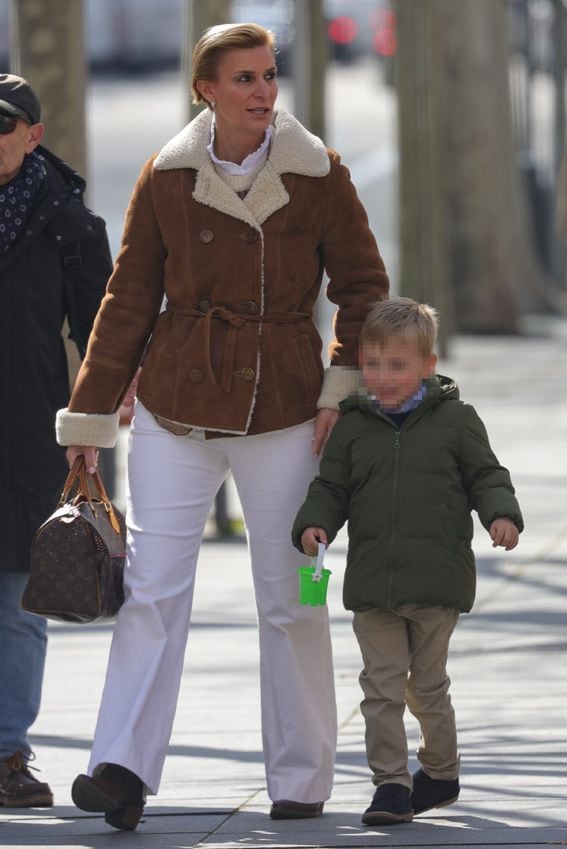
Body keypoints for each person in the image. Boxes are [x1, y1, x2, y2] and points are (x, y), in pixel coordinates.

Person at [55, 23, 389, 831]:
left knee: (293, 596)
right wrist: (92, 414)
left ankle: (303, 775)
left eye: (269, 75)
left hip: (285, 409)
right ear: (205, 87)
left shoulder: (318, 173)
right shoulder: (166, 174)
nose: (262, 91)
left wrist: (338, 390)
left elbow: (363, 286)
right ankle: (122, 767)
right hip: (177, 406)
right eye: (243, 78)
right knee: (152, 592)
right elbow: (128, 297)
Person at [292, 297, 523, 826]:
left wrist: (500, 516)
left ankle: (440, 771)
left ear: (427, 366)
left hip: (437, 582)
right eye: (372, 365)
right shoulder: (353, 427)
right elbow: (332, 488)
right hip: (374, 586)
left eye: (397, 365)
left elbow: (487, 474)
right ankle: (391, 786)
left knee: (426, 687)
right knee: (381, 686)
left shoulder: (457, 421)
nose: (382, 376)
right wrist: (314, 521)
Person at [0, 73, 112, 807]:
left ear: (32, 136)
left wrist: (89, 429)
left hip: (27, 433)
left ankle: (7, 753)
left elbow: (103, 335)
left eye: (0, 127)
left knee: (16, 601)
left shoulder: (70, 223)